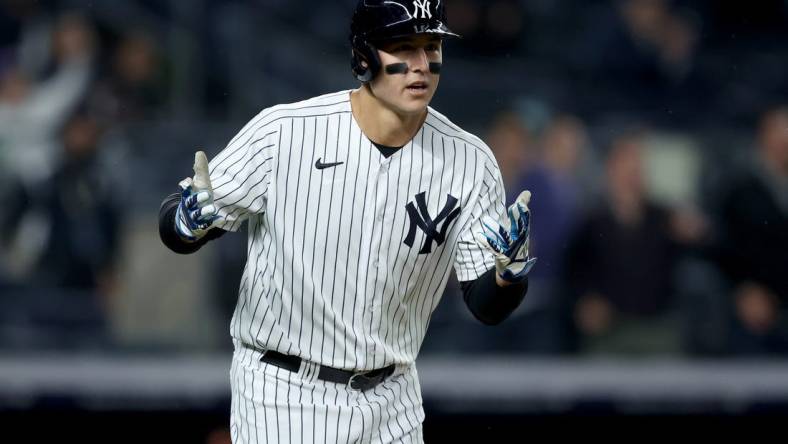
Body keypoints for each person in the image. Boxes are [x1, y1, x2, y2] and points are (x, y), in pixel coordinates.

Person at [158, 1, 537, 443]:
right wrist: (184, 223)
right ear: (364, 57)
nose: (420, 65)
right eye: (403, 47)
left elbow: (485, 305)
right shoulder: (284, 133)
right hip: (284, 389)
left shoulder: (470, 162)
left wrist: (509, 277)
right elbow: (181, 227)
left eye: (431, 46)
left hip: (392, 398)